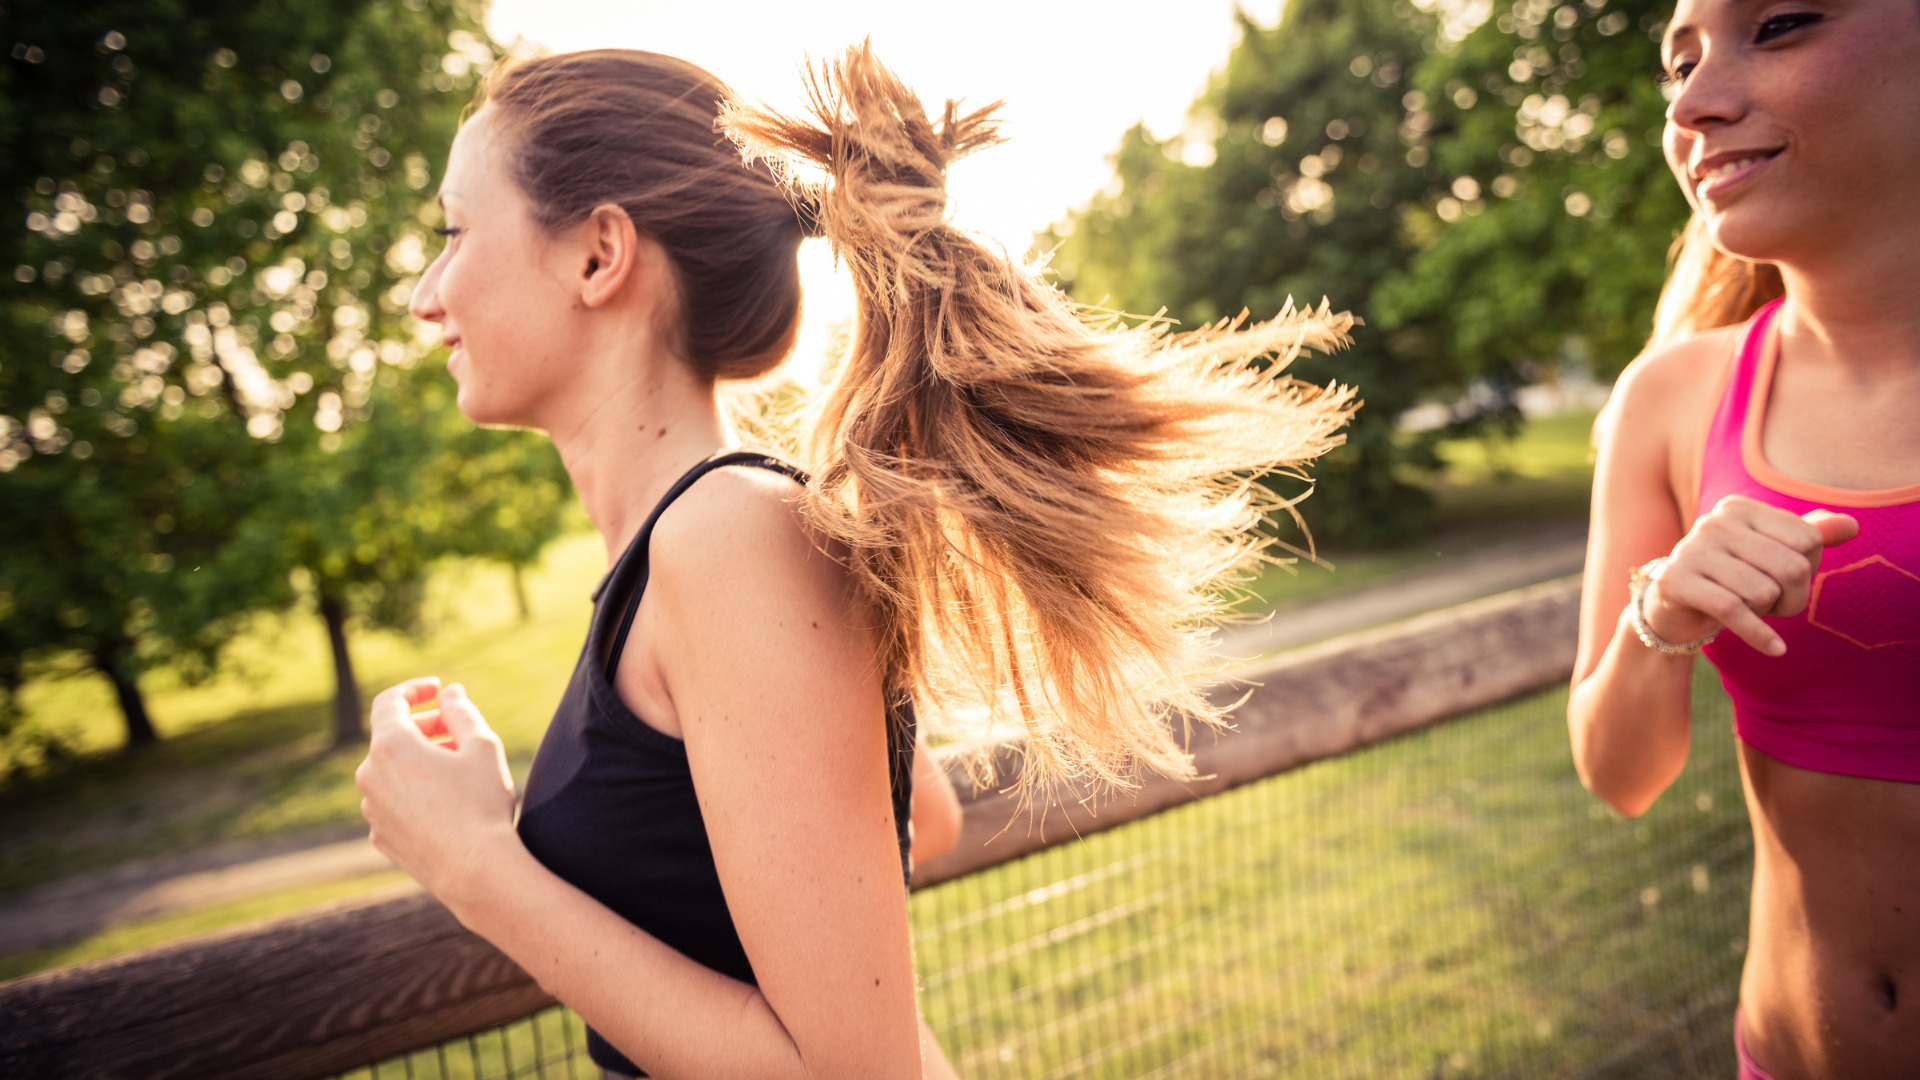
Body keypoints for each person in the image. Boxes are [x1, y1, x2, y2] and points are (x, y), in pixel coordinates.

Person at [352, 45, 1354, 1078]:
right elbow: (920, 812)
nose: (427, 295)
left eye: (455, 232)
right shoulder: (700, 542)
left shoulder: (729, 536)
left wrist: (475, 865)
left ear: (599, 254)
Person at [1568, 0, 1920, 1076]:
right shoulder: (1668, 400)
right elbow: (1620, 776)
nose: (1691, 102)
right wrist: (1658, 619)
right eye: (1679, 60)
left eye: (1777, 26)